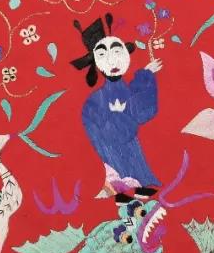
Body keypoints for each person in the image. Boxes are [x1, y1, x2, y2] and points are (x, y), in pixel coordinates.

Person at [69, 15, 162, 196]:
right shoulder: (95, 101)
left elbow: (140, 107)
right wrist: (120, 114)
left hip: (126, 145)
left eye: (117, 52)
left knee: (132, 162)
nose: (112, 61)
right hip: (111, 148)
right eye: (103, 55)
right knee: (120, 165)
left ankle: (132, 187)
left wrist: (146, 74)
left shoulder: (122, 89)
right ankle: (122, 188)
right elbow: (112, 129)